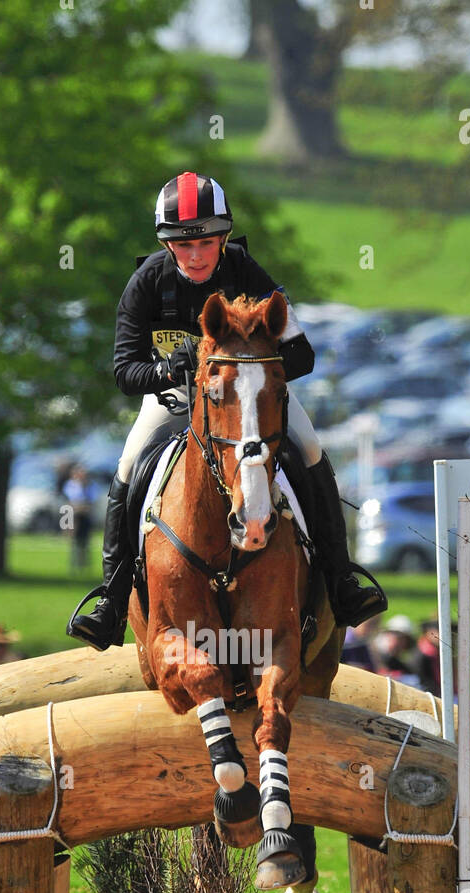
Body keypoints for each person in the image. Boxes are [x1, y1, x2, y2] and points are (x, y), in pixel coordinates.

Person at [66, 170, 382, 650]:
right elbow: (125, 371)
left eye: (207, 243)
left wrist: (252, 369)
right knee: (129, 466)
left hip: (248, 402)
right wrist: (169, 372)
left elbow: (302, 355)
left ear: (225, 237)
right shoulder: (146, 281)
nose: (195, 256)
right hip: (176, 402)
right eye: (182, 245)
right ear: (167, 245)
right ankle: (112, 599)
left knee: (312, 449)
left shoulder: (248, 273)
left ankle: (341, 579)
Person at [62, 464, 97, 571]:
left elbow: (91, 501)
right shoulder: (70, 485)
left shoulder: (90, 486)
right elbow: (70, 501)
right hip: (73, 515)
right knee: (74, 541)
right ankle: (74, 564)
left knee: (85, 541)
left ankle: (84, 564)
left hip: (85, 516)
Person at [373, 614, 421, 686]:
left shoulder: (403, 666)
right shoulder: (373, 656)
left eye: (403, 639)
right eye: (396, 637)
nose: (398, 643)